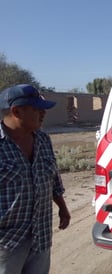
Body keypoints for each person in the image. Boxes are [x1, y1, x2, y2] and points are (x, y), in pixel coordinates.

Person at [0, 84, 71, 274]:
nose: (43, 113)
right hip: (6, 244)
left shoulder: (43, 140)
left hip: (41, 237)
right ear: (16, 111)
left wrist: (63, 207)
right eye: (37, 109)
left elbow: (53, 178)